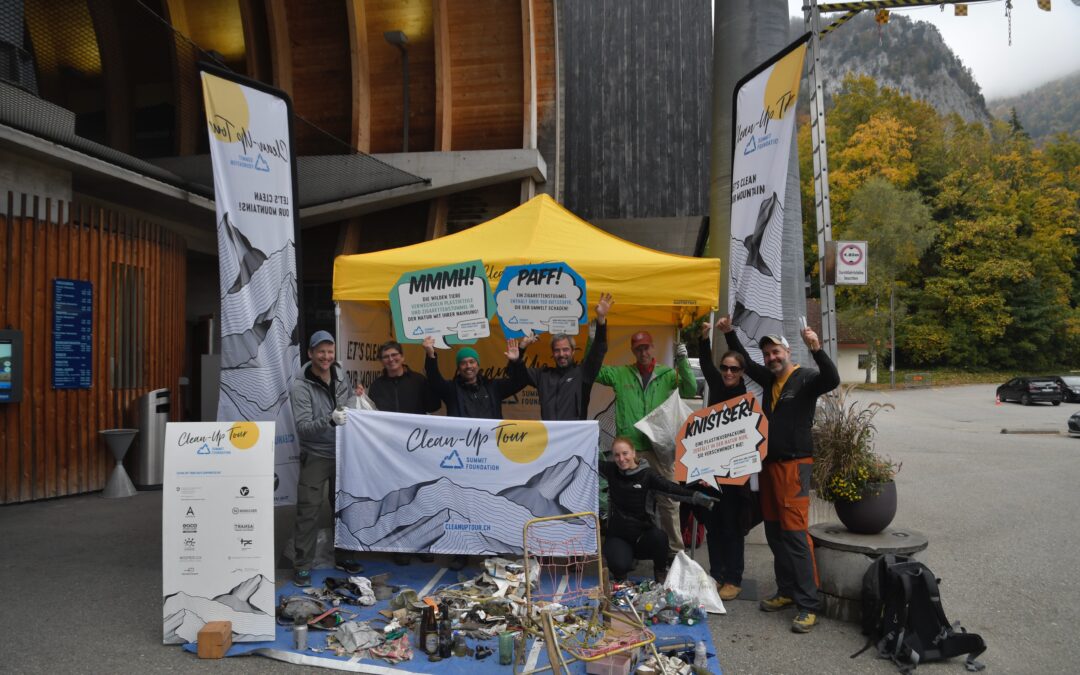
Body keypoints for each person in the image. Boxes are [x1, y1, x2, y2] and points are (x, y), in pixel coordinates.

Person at [717, 315, 840, 634]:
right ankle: (786, 591)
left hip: (795, 467)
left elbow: (832, 379)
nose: (772, 357)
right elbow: (744, 361)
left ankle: (808, 604)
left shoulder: (807, 377)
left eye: (776, 352)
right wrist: (729, 333)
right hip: (770, 467)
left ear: (788, 351)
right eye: (768, 353)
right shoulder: (771, 381)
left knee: (795, 535)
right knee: (774, 532)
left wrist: (817, 348)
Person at [423, 335, 530, 570]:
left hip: (490, 457)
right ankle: (462, 552)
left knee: (491, 503)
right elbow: (434, 380)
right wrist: (431, 355)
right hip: (461, 459)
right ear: (459, 368)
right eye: (464, 363)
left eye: (472, 361)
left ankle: (491, 549)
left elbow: (521, 381)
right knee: (461, 503)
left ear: (478, 365)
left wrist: (517, 360)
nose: (468, 366)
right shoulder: (451, 390)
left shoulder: (493, 387)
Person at [595, 329, 697, 560]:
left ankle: (676, 554)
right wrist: (596, 340)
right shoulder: (620, 374)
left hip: (659, 449)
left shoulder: (667, 374)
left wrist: (683, 359)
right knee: (626, 501)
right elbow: (593, 372)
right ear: (633, 350)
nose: (643, 352)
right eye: (638, 348)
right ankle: (628, 549)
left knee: (668, 502)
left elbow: (690, 389)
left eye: (646, 347)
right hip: (630, 451)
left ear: (653, 348)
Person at [290, 330, 366, 588]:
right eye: (320, 352)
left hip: (343, 451)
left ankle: (344, 556)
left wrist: (355, 397)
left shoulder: (340, 374)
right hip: (315, 454)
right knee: (308, 510)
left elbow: (344, 405)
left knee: (343, 508)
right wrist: (329, 420)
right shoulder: (300, 385)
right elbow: (303, 427)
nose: (326, 357)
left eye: (330, 351)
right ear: (310, 354)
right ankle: (302, 565)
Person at [365, 340, 441, 566]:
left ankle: (424, 544)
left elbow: (434, 404)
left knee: (421, 496)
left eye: (394, 355)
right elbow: (371, 416)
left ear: (402, 357)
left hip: (418, 449)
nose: (391, 359)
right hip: (391, 452)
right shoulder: (377, 386)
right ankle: (401, 545)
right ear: (382, 361)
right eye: (386, 356)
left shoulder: (418, 380)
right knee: (397, 499)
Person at [694, 322, 754, 602]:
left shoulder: (747, 398)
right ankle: (716, 573)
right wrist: (704, 337)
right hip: (711, 471)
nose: (728, 372)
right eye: (725, 368)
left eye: (734, 368)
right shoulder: (716, 385)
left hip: (736, 476)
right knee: (713, 524)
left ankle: (733, 578)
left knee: (732, 527)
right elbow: (705, 362)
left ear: (742, 372)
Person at [601, 437, 715, 582]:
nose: (621, 459)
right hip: (619, 535)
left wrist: (697, 497)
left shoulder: (648, 475)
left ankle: (660, 571)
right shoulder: (610, 470)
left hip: (643, 534)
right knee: (619, 565)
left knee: (660, 538)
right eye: (617, 455)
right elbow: (587, 462)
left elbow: (670, 488)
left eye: (625, 453)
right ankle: (621, 573)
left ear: (634, 453)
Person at [518, 292, 612, 421]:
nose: (562, 354)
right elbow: (517, 375)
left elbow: (599, 350)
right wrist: (521, 348)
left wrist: (601, 320)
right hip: (549, 437)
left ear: (573, 352)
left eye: (565, 350)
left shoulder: (583, 373)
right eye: (557, 350)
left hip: (575, 437)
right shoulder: (543, 375)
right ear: (553, 353)